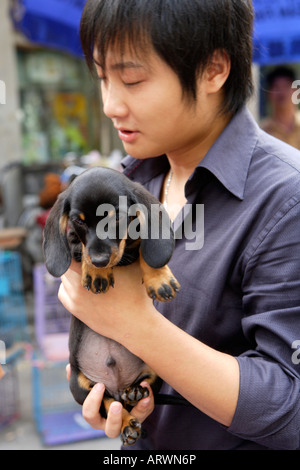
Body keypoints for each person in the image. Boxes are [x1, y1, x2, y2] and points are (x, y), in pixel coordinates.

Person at [58, 0, 300, 450]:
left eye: (132, 80)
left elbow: (292, 407)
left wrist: (135, 324)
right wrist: (104, 381)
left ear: (213, 70)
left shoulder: (286, 198)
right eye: (102, 78)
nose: (111, 105)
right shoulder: (130, 180)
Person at [260, 66, 300, 149]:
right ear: (268, 94)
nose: (281, 92)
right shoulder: (262, 133)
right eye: (276, 87)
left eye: (286, 86)